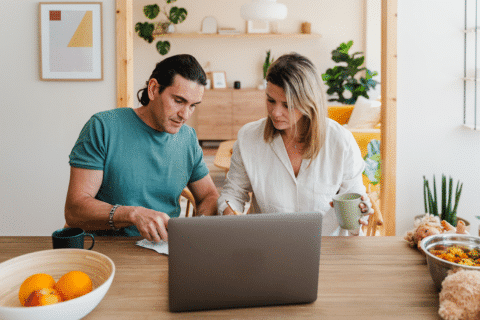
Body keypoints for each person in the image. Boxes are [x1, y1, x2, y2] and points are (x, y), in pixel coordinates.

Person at [65, 54, 219, 242]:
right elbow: (74, 210)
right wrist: (132, 214)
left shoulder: (188, 139)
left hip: (162, 250)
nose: (185, 114)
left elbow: (209, 195)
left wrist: (198, 226)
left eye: (193, 105)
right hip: (106, 249)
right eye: (178, 101)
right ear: (153, 89)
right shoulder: (104, 127)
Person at [217, 53, 373, 236]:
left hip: (328, 250)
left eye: (287, 104)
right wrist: (230, 215)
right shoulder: (249, 138)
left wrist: (360, 210)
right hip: (267, 248)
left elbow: (354, 197)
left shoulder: (340, 141)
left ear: (308, 102)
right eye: (270, 100)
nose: (275, 112)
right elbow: (233, 194)